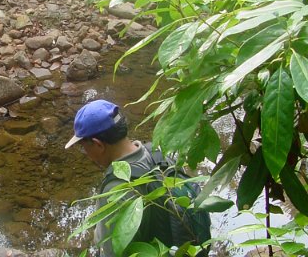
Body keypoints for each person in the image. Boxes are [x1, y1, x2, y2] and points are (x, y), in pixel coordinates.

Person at [65, 99, 210, 256]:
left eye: (84, 147)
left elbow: (113, 252)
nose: (86, 154)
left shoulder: (117, 189)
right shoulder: (159, 154)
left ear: (98, 144)